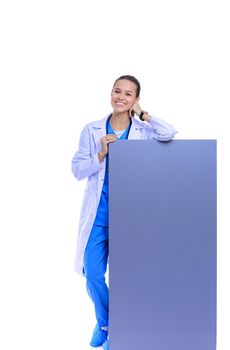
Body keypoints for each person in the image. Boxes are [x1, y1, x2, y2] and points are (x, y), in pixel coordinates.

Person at [71, 75, 177, 350]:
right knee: (92, 273)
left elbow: (170, 133)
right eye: (117, 91)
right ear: (111, 94)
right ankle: (105, 321)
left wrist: (144, 114)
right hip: (97, 216)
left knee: (125, 278)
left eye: (128, 94)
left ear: (135, 100)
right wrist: (101, 153)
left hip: (128, 218)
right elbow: (77, 170)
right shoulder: (92, 130)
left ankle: (115, 333)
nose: (121, 97)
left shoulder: (143, 130)